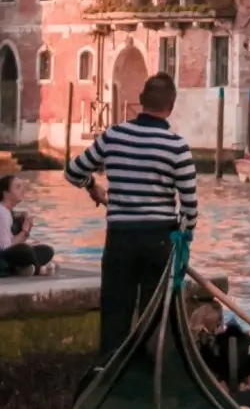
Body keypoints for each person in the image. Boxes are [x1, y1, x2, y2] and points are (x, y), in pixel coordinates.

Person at [66, 73, 199, 359]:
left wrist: (92, 186)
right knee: (153, 319)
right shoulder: (177, 147)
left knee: (115, 313)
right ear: (171, 107)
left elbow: (73, 171)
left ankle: (109, 374)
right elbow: (189, 209)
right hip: (159, 241)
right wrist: (184, 244)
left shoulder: (112, 136)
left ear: (140, 102)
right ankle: (148, 378)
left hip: (121, 238)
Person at [0, 175, 55, 277]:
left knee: (46, 251)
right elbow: (4, 248)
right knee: (25, 250)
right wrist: (24, 232)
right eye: (18, 187)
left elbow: (9, 245)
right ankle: (38, 269)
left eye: (22, 187)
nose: (22, 191)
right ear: (6, 194)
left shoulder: (6, 212)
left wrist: (24, 231)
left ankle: (24, 268)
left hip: (1, 255)